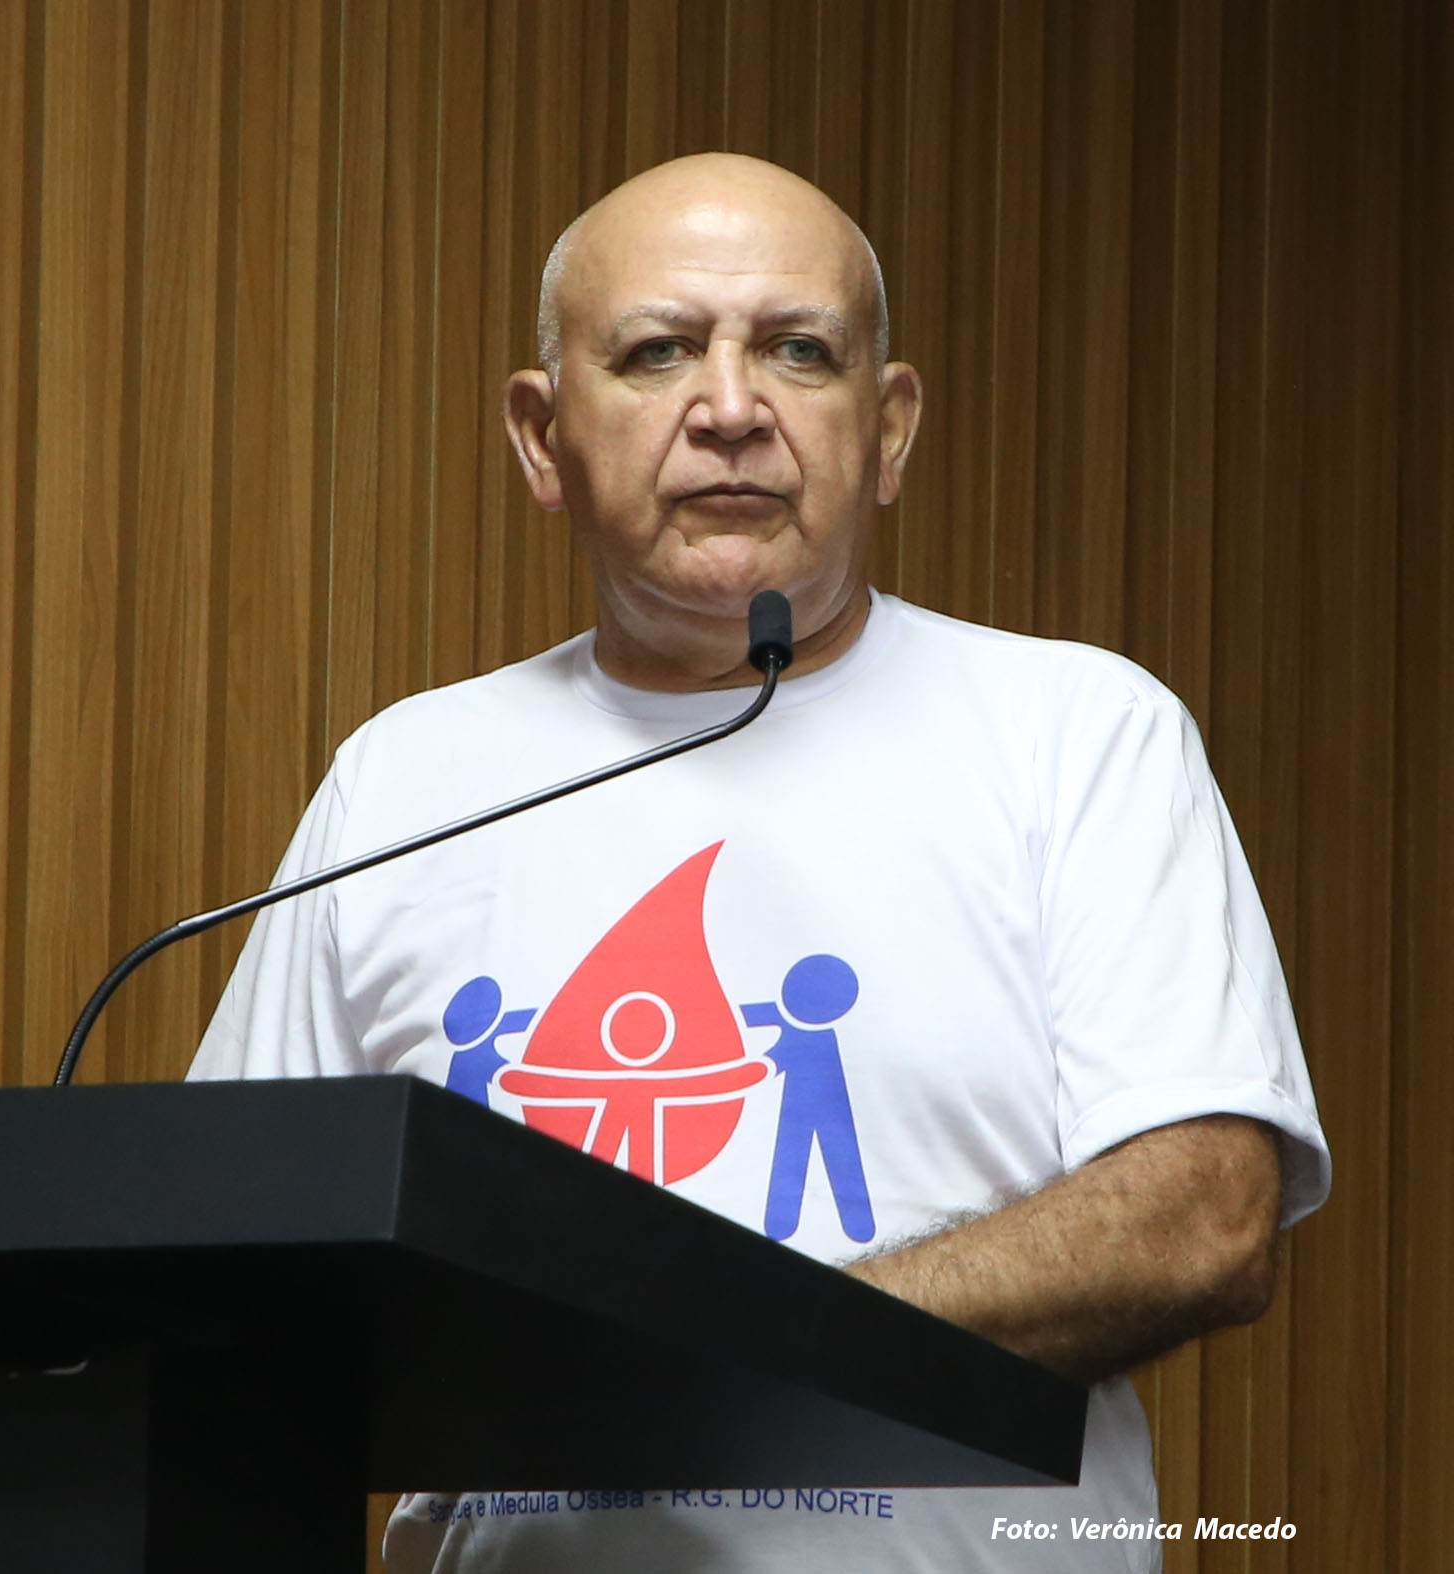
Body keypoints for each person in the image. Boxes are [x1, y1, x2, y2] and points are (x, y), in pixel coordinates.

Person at [188, 153, 1328, 1572]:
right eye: (659, 351)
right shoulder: (404, 781)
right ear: (542, 438)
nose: (731, 408)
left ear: (889, 429)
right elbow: (223, 1273)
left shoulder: (1076, 732)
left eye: (797, 350)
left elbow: (1203, 1217)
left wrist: (714, 1355)